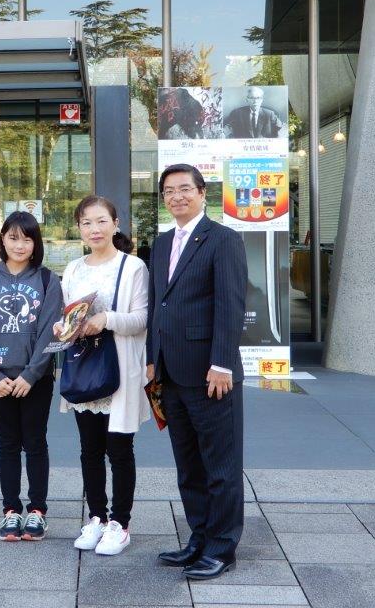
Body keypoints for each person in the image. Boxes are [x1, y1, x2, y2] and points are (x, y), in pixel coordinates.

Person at [147, 163, 247, 581]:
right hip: (171, 374)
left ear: (202, 193)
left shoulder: (223, 239)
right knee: (188, 465)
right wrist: (152, 360)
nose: (177, 196)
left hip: (211, 374)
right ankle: (199, 538)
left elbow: (230, 304)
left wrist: (221, 363)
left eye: (185, 188)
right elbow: (157, 304)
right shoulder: (161, 243)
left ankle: (221, 548)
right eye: (169, 191)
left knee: (220, 466)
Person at [56, 196, 150, 556]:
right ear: (78, 228)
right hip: (84, 367)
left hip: (119, 368)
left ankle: (120, 523)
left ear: (115, 223)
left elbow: (142, 318)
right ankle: (96, 516)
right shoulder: (73, 268)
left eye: (100, 221)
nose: (94, 229)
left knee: (120, 449)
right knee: (89, 450)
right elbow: (66, 314)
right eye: (86, 223)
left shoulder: (133, 267)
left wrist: (106, 319)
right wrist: (64, 327)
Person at [0, 211, 63, 542]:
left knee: (36, 442)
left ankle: (37, 511)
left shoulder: (47, 280)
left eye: (27, 239)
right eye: (13, 238)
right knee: (8, 443)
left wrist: (31, 373)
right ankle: (11, 510)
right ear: (2, 240)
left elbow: (50, 331)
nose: (20, 245)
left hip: (35, 379)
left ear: (36, 243)